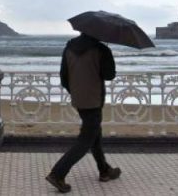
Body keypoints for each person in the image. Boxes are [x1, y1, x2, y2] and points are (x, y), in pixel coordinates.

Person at [46, 33, 121, 193]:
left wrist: (76, 91)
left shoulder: (69, 47)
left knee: (94, 134)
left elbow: (63, 78)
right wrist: (107, 55)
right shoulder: (101, 49)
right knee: (86, 139)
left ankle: (104, 170)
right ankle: (57, 174)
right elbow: (110, 75)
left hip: (79, 99)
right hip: (94, 99)